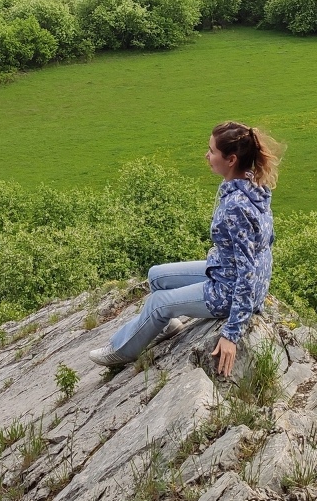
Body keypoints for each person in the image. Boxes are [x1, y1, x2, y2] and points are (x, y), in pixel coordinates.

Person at [88, 122, 281, 377]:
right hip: (224, 271)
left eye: (212, 151)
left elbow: (248, 271)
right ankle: (166, 327)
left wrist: (232, 333)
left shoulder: (237, 204)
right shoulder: (252, 185)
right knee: (157, 275)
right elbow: (266, 242)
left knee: (158, 303)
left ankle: (122, 350)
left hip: (230, 290)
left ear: (231, 159)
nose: (207, 155)